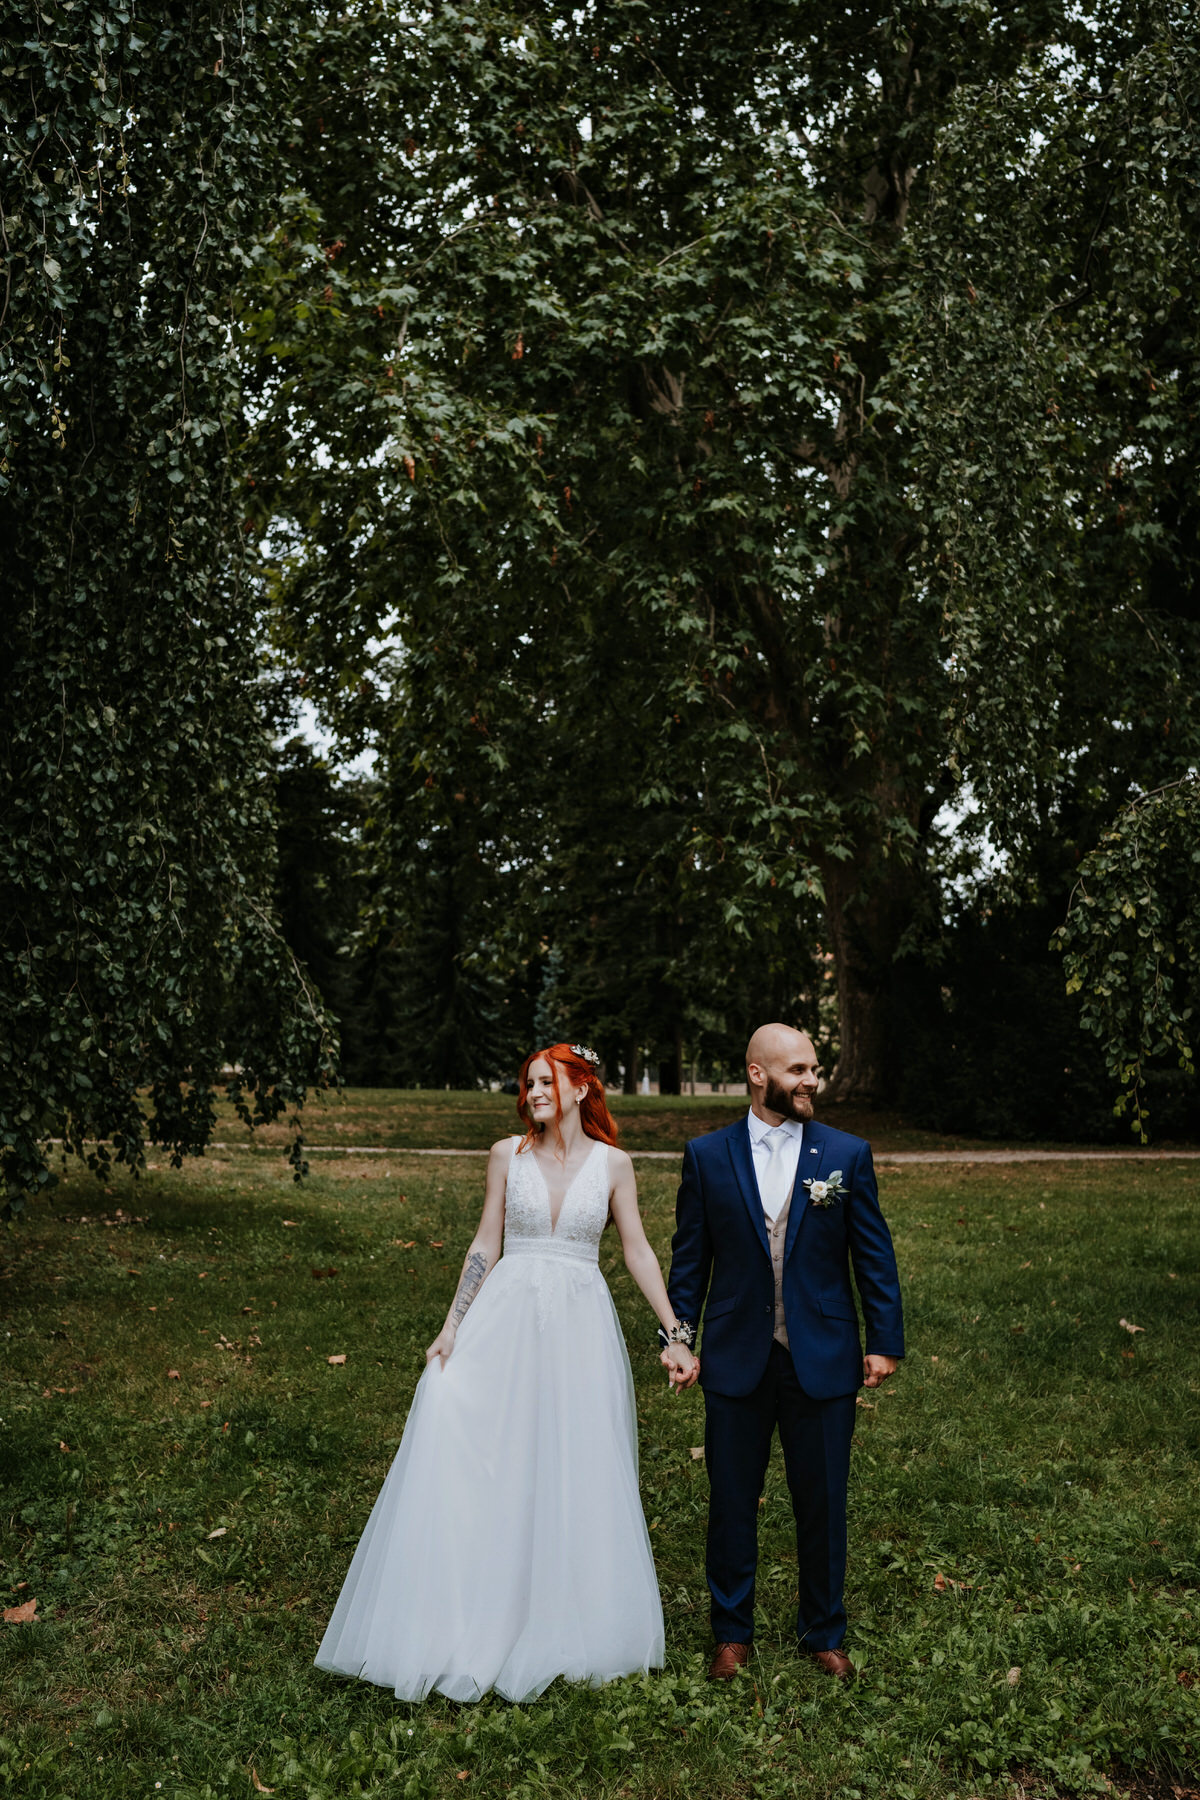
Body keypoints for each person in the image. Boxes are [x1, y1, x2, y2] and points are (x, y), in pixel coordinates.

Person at [314, 1042, 699, 1703]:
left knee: (574, 1458)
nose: (535, 1092)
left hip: (579, 1325)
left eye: (547, 1081)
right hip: (507, 1319)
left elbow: (635, 1248)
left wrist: (676, 1334)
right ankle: (476, 1608)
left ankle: (566, 1616)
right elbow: (485, 1242)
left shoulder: (614, 1165)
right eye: (529, 1083)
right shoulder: (505, 1155)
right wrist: (452, 1325)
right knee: (493, 1448)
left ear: (581, 1088)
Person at [664, 1023, 904, 1682]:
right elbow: (690, 1263)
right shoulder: (707, 1156)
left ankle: (823, 1632)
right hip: (737, 1354)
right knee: (731, 1503)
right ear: (758, 1073)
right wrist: (677, 1342)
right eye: (798, 1069)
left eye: (814, 1069)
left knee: (823, 1501)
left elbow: (872, 1254)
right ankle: (731, 1634)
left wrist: (883, 1340)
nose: (811, 1081)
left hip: (822, 1354)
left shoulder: (845, 1154)